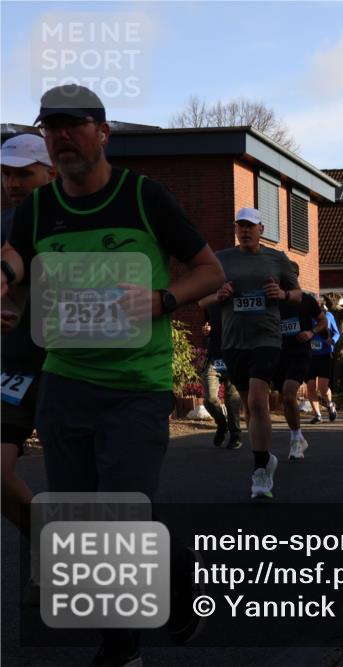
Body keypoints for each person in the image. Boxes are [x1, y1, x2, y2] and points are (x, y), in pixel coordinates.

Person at [0, 84, 225, 665]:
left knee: (118, 515)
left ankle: (119, 650)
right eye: (52, 127)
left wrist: (163, 301)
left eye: (73, 125)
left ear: (102, 132)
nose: (62, 136)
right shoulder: (36, 209)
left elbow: (208, 270)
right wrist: (5, 269)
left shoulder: (145, 197)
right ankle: (172, 580)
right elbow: (18, 255)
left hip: (136, 385)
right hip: (65, 381)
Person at [202, 206, 301, 499]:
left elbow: (297, 295)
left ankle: (260, 471)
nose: (245, 231)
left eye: (250, 226)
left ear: (261, 230)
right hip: (233, 341)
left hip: (267, 337)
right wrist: (218, 297)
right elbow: (200, 300)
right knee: (248, 404)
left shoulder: (277, 259)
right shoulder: (221, 259)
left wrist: (282, 295)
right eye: (240, 226)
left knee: (259, 399)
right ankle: (265, 457)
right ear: (236, 230)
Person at [1, 133, 54, 538]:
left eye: (24, 173)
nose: (13, 183)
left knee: (81, 482)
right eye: (6, 174)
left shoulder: (82, 220)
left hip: (73, 363)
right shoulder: (4, 224)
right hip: (16, 362)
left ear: (51, 173)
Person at [274, 262, 324, 461]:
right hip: (278, 354)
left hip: (300, 353)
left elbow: (323, 321)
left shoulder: (306, 300)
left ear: (296, 276)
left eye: (290, 275)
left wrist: (311, 332)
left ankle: (295, 441)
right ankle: (298, 435)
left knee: (288, 394)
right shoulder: (273, 300)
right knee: (285, 400)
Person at [199, 302, 242, 449]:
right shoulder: (210, 303)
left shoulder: (237, 300)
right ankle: (222, 424)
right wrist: (207, 330)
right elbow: (207, 325)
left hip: (234, 356)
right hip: (214, 358)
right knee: (209, 399)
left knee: (232, 401)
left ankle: (235, 435)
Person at [305, 295, 339, 424]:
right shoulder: (305, 316)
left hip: (325, 354)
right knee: (310, 386)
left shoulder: (328, 315)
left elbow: (337, 333)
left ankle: (330, 405)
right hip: (309, 355)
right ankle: (317, 415)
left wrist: (333, 341)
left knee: (323, 387)